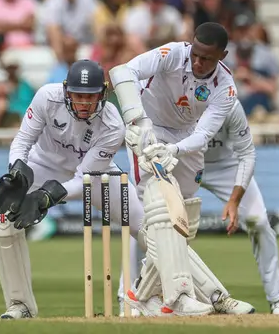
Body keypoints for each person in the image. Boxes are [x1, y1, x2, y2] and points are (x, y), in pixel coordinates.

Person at [109, 22, 255, 316]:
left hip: (186, 142)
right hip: (146, 130)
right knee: (161, 211)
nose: (199, 63)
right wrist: (139, 122)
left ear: (223, 55)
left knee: (181, 221)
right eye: (197, 54)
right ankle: (188, 295)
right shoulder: (173, 54)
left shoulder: (225, 88)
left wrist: (174, 149)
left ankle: (137, 294)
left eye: (208, 58)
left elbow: (203, 135)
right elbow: (123, 72)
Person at [0, 60, 144, 319]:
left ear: (103, 93)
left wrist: (47, 196)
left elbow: (87, 177)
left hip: (95, 173)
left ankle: (191, 293)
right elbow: (22, 141)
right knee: (1, 223)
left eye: (90, 97)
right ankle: (20, 306)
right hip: (43, 165)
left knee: (147, 227)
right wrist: (17, 169)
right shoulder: (47, 97)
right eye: (78, 96)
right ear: (66, 91)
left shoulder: (114, 124)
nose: (84, 103)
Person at [201, 100, 279, 314]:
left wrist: (234, 201)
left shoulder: (228, 102)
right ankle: (129, 297)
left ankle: (278, 299)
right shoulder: (178, 96)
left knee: (259, 223)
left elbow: (247, 154)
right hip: (185, 160)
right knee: (152, 221)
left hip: (227, 165)